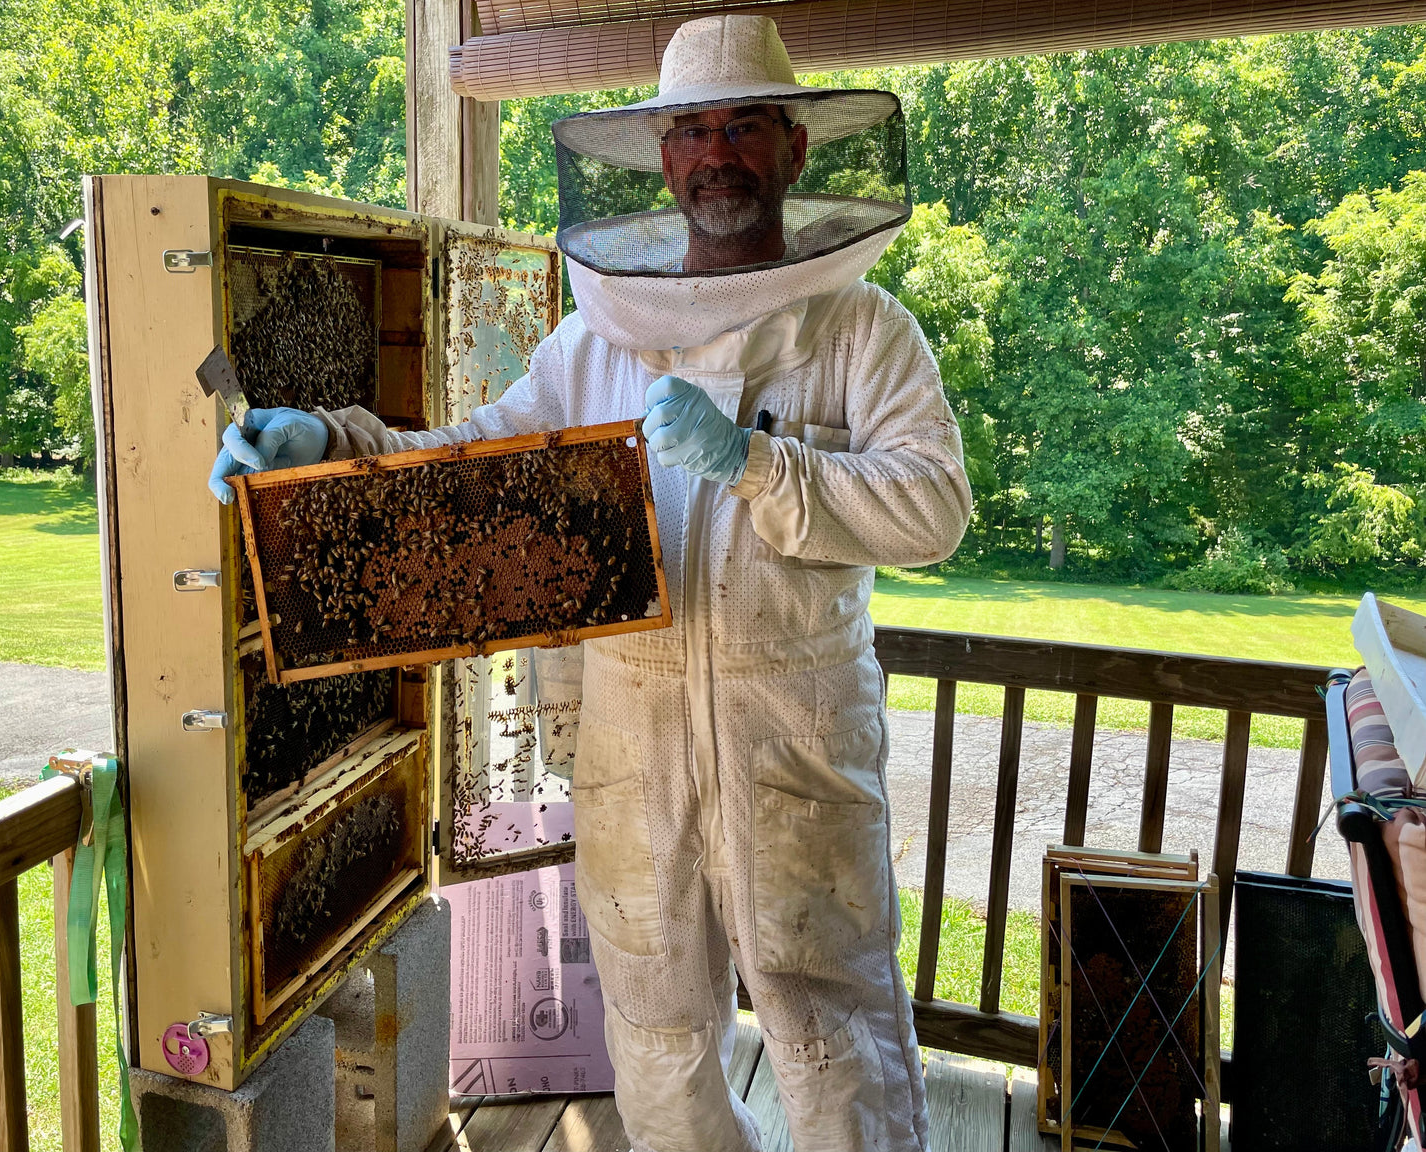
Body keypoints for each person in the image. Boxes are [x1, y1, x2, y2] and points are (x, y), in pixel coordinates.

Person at [209, 14, 970, 1150]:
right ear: (661, 158)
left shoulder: (865, 333)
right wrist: (329, 443)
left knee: (832, 1027)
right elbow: (474, 471)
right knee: (656, 1030)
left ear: (795, 150)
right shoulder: (593, 342)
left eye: (745, 125)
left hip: (797, 727)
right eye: (693, 130)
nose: (718, 150)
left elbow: (934, 510)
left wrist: (759, 461)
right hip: (631, 725)